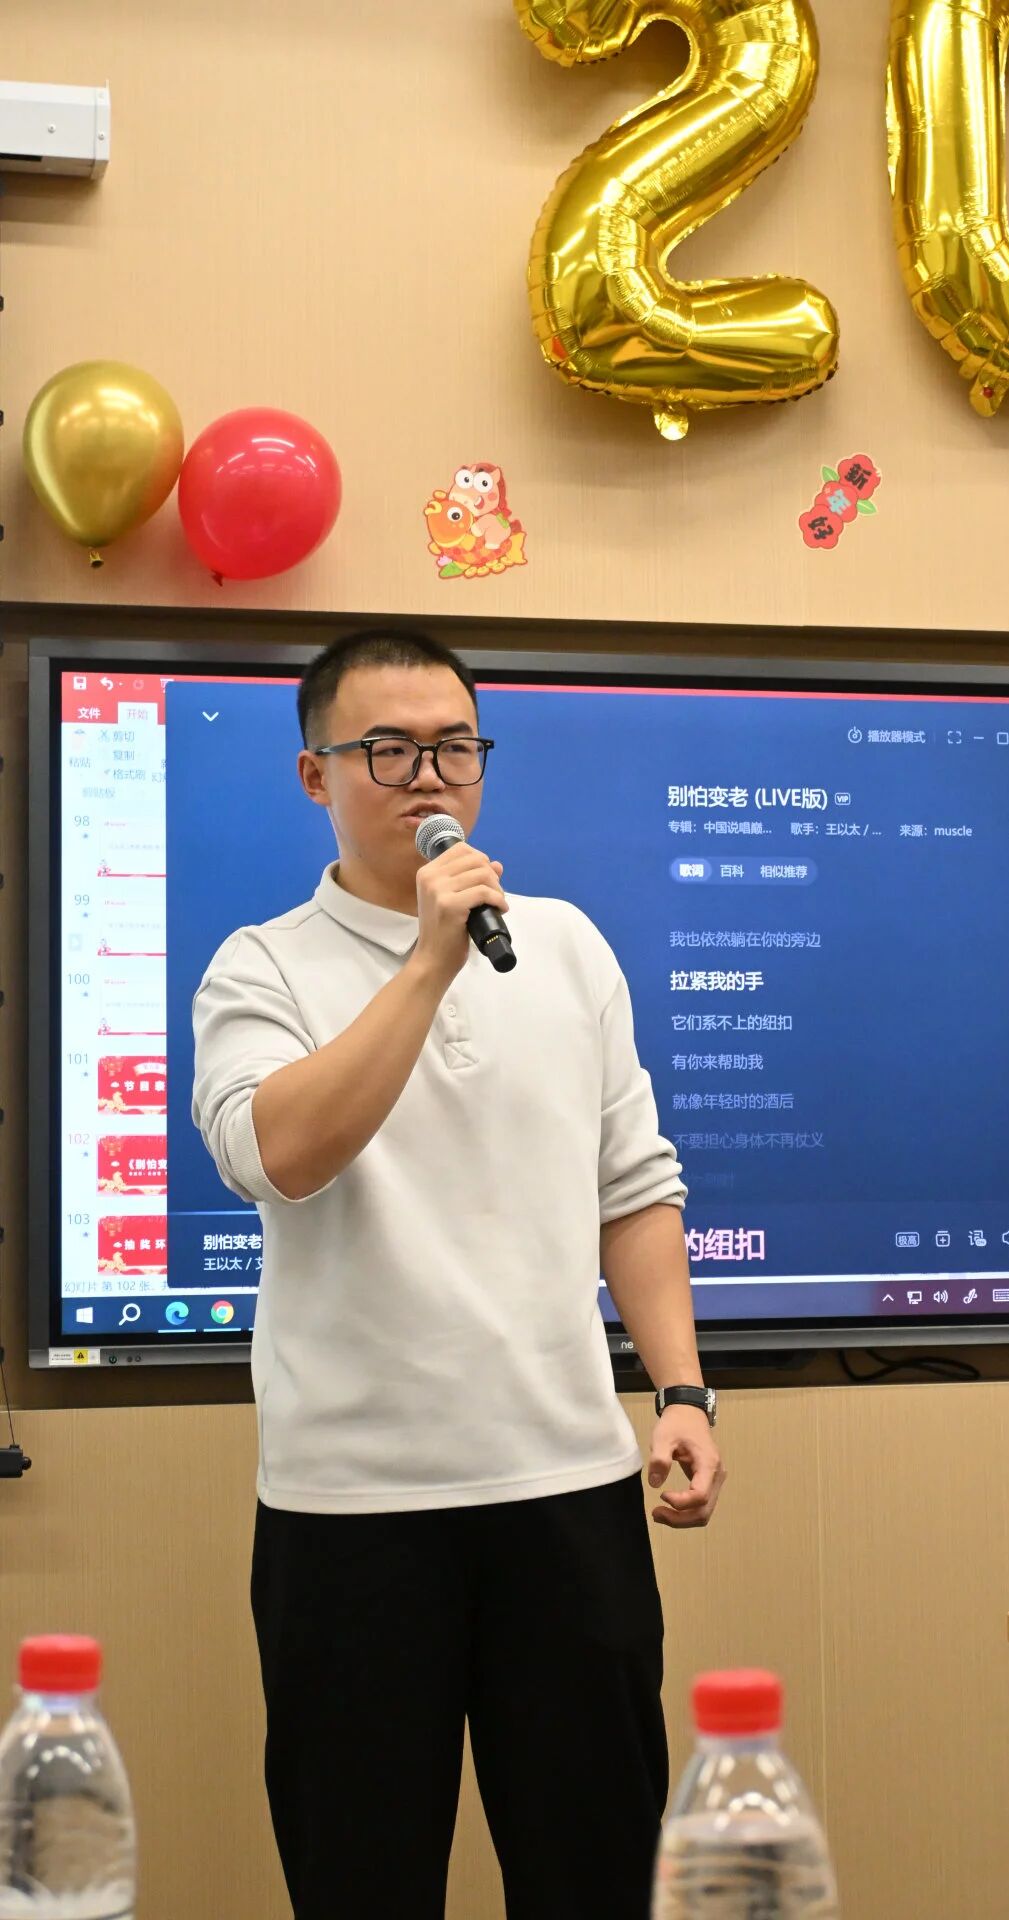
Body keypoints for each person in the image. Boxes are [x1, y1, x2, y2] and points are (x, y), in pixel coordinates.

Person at [190, 627, 725, 1919]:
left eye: (454, 748)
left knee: (598, 1872)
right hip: (349, 1512)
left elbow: (634, 1190)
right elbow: (280, 1156)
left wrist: (683, 1393)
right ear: (316, 775)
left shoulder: (568, 945)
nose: (428, 776)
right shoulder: (260, 965)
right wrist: (429, 957)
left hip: (568, 1489)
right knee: (362, 1880)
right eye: (388, 749)